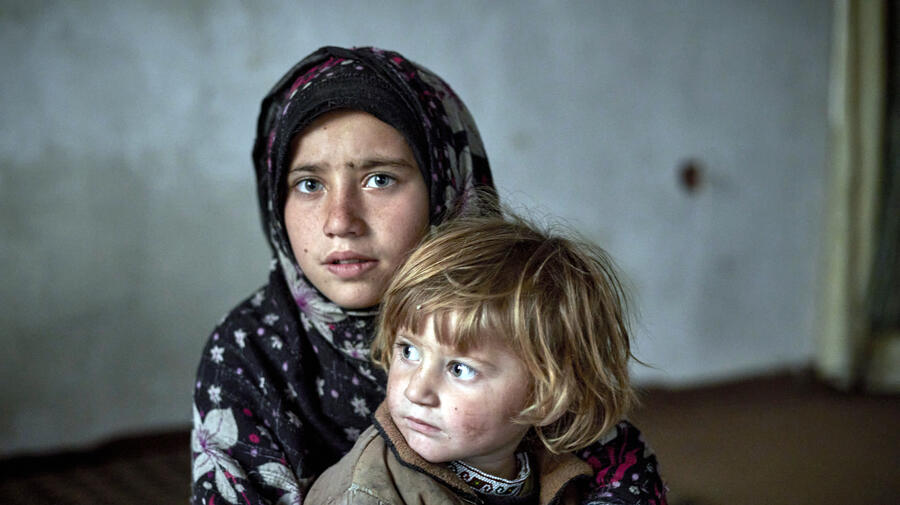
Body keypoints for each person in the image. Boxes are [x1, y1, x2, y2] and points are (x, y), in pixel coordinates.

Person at [191, 46, 667, 505]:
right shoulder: (246, 352)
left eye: (379, 178)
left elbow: (618, 465)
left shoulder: (519, 308)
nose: (340, 220)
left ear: (445, 182)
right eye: (309, 183)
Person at [305, 214, 659, 505]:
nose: (417, 390)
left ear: (545, 399)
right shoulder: (367, 494)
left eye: (460, 369)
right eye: (409, 351)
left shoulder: (563, 472)